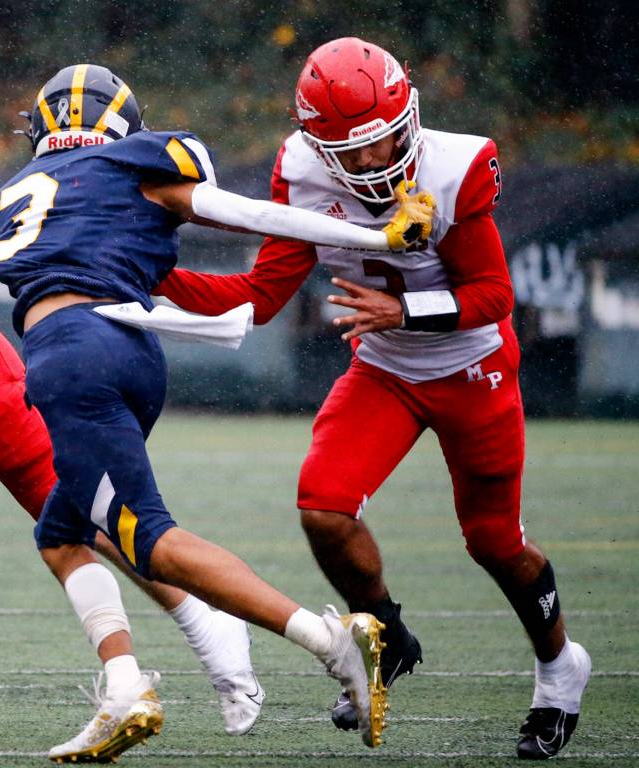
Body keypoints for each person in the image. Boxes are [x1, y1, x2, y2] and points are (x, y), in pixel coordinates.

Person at [0, 62, 435, 761]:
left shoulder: (12, 197)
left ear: (39, 134)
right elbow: (254, 215)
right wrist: (379, 237)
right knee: (61, 532)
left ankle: (332, 644)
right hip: (130, 351)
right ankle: (124, 690)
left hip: (71, 360)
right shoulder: (136, 166)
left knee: (148, 538)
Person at [151, 37, 592, 760]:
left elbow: (493, 296)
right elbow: (261, 297)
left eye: (380, 140)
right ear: (317, 148)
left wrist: (403, 311)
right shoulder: (300, 169)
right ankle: (384, 635)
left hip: (472, 368)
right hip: (385, 370)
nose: (368, 161)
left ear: (408, 115)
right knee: (323, 507)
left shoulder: (454, 166)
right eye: (347, 151)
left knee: (494, 541)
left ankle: (559, 668)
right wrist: (150, 273)